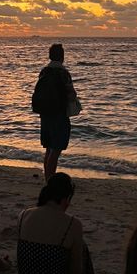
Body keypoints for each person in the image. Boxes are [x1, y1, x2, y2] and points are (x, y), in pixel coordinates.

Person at [14, 173, 96, 274]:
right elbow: (75, 272)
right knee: (81, 248)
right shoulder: (73, 224)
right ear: (66, 199)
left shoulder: (23, 214)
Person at [33, 43, 79, 180]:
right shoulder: (63, 73)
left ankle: (48, 177)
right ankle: (50, 179)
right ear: (62, 57)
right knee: (56, 149)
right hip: (59, 114)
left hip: (45, 113)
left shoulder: (44, 71)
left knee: (48, 148)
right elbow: (71, 94)